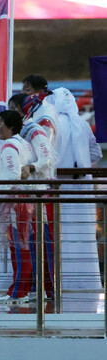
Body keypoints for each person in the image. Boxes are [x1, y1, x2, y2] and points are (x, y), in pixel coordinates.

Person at [50, 87, 103, 291]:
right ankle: (83, 280)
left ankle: (56, 280)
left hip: (57, 186)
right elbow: (96, 153)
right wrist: (80, 164)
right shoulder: (82, 124)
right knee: (82, 233)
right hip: (81, 186)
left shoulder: (52, 124)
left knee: (57, 232)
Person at [9, 93, 57, 300]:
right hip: (24, 195)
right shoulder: (20, 134)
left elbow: (48, 158)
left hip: (36, 194)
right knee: (26, 242)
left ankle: (45, 289)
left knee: (39, 241)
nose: (10, 112)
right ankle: (31, 289)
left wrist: (31, 167)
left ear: (23, 110)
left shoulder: (34, 130)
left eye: (13, 108)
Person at [0, 111, 33, 304]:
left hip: (14, 203)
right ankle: (20, 289)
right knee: (21, 246)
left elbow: (13, 177)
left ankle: (18, 292)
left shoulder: (9, 146)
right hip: (22, 202)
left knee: (18, 247)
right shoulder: (23, 144)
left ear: (9, 126)